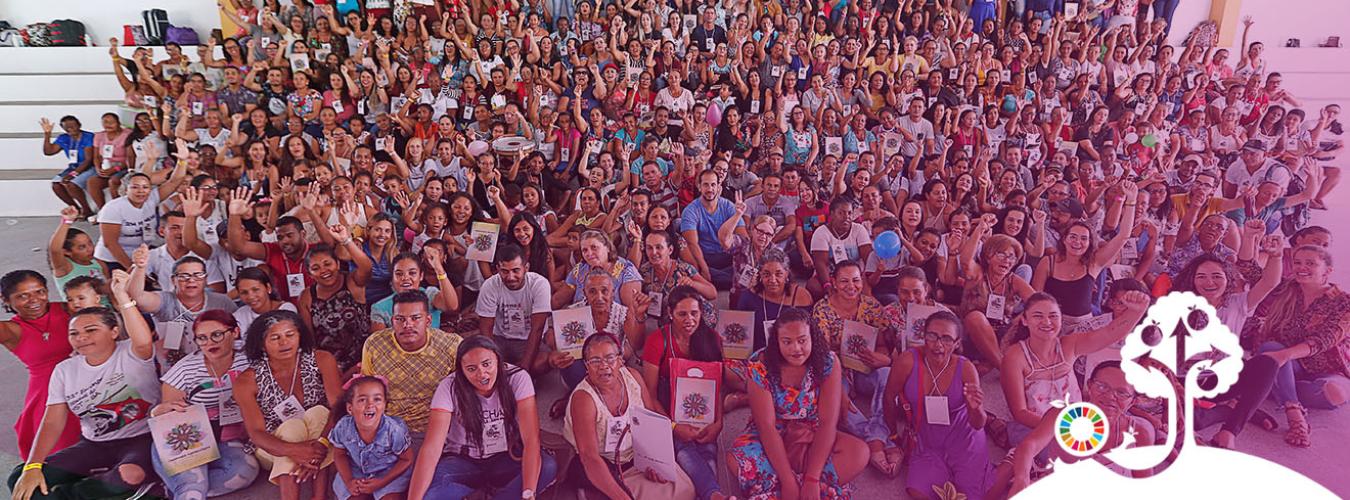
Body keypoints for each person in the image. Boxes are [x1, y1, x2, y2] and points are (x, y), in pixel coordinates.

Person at [8, 270, 159, 500]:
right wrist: (32, 467)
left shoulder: (132, 352)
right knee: (20, 479)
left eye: (91, 330)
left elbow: (144, 338)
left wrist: (122, 295)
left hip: (141, 440)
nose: (82, 337)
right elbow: (52, 420)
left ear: (114, 331)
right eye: (74, 333)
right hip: (94, 445)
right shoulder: (64, 370)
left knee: (130, 475)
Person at [726, 308, 867, 498]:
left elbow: (827, 422)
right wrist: (788, 481)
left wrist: (812, 479)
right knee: (735, 459)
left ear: (812, 338)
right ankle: (806, 489)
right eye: (787, 342)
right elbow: (766, 427)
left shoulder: (828, 362)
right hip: (772, 434)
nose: (796, 349)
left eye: (802, 340)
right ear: (776, 341)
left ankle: (782, 490)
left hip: (812, 432)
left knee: (859, 452)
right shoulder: (759, 366)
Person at [408, 335, 557, 499]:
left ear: (498, 361)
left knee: (547, 466)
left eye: (487, 364)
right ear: (461, 370)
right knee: (432, 493)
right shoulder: (448, 386)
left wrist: (528, 493)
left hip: (506, 456)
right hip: (462, 461)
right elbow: (431, 449)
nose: (481, 374)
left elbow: (531, 440)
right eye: (471, 369)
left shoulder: (517, 377)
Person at [564, 333, 696, 500]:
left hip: (636, 454)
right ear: (586, 366)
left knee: (685, 489)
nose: (604, 366)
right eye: (595, 361)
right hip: (605, 461)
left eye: (610, 358)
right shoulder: (583, 399)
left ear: (620, 360)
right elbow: (589, 457)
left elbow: (651, 422)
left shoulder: (633, 377)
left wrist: (653, 462)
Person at [1242, 245, 1350, 447]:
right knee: (1272, 348)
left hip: (1326, 370)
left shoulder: (1344, 303)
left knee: (1335, 394)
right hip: (1285, 363)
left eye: (1310, 263)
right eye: (1297, 262)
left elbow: (1323, 340)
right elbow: (1249, 271)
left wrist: (1284, 356)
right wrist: (1250, 238)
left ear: (1327, 271)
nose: (1301, 267)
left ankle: (1275, 388)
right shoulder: (1286, 289)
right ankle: (1295, 415)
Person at [998, 361, 1156, 497]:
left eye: (1121, 393)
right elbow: (1030, 445)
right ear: (1089, 386)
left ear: (1133, 401)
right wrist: (1021, 479)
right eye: (1102, 386)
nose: (1110, 397)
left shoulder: (1140, 431)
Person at [148, 310, 260, 499]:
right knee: (192, 486)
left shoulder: (250, 358)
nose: (209, 343)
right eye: (202, 338)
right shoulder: (185, 369)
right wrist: (160, 411)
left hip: (228, 438)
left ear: (235, 333)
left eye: (217, 334)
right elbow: (169, 421)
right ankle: (188, 487)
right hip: (189, 437)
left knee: (244, 472)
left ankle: (177, 487)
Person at [233, 309, 343, 500]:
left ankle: (319, 497)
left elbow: (338, 408)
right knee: (292, 427)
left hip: (320, 440)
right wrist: (297, 451)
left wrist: (320, 445)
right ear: (261, 344)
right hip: (272, 448)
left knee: (319, 412)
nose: (284, 342)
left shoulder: (322, 360)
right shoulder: (247, 380)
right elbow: (257, 434)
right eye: (275, 338)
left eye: (290, 335)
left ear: (300, 335)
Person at [882, 310, 991, 499]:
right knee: (918, 491)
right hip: (926, 437)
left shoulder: (966, 368)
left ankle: (1010, 462)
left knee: (971, 494)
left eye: (947, 339)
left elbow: (978, 423)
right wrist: (893, 434)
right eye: (932, 336)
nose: (938, 345)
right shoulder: (908, 360)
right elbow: (889, 398)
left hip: (964, 436)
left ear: (957, 344)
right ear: (923, 336)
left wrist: (975, 408)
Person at [639, 286, 733, 500]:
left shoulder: (713, 339)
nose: (689, 319)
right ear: (670, 314)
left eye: (694, 313)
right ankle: (715, 495)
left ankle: (711, 495)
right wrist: (673, 426)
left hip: (702, 405)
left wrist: (718, 423)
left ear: (701, 313)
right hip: (666, 403)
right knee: (683, 447)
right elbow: (650, 396)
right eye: (682, 314)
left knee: (707, 448)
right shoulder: (657, 341)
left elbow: (717, 387)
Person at [0, 271, 83, 462]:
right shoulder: (10, 330)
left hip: (86, 377)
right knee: (60, 453)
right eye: (22, 296)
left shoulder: (66, 308)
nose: (34, 300)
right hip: (48, 392)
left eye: (40, 291)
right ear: (5, 300)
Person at [361, 290, 464, 437]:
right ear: (392, 321)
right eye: (400, 319)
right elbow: (367, 391)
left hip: (437, 428)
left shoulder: (452, 345)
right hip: (388, 428)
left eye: (415, 318)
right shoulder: (374, 344)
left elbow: (463, 392)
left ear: (428, 321)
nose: (407, 325)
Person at [328, 375, 414, 500]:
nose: (370, 405)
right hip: (357, 470)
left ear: (385, 405)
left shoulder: (394, 430)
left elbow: (407, 459)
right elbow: (339, 454)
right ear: (350, 408)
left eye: (377, 399)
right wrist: (349, 481)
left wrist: (382, 482)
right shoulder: (343, 427)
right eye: (362, 400)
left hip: (389, 471)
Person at [476, 244, 553, 367]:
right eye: (504, 271)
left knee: (546, 360)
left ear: (526, 268)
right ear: (497, 269)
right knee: (476, 358)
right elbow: (486, 328)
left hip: (528, 340)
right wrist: (493, 364)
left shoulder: (539, 284)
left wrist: (525, 368)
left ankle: (515, 373)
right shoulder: (489, 285)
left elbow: (537, 329)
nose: (510, 277)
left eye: (516, 270)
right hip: (499, 339)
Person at [681, 169, 747, 287]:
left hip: (728, 256)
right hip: (705, 257)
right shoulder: (690, 210)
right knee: (693, 268)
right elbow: (692, 244)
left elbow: (743, 237)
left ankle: (719, 279)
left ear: (718, 187)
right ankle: (728, 279)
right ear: (699, 186)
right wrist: (704, 269)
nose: (710, 189)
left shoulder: (729, 206)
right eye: (706, 185)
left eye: (713, 185)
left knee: (744, 266)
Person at [368, 250, 460, 332]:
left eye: (412, 273)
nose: (405, 278)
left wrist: (439, 269)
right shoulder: (380, 308)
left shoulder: (430, 295)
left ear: (421, 276)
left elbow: (452, 306)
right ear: (392, 278)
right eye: (399, 274)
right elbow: (378, 345)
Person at [47, 207, 108, 301]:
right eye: (82, 247)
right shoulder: (65, 268)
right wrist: (67, 221)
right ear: (66, 251)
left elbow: (108, 288)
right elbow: (55, 250)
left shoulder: (98, 263)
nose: (90, 249)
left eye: (90, 243)